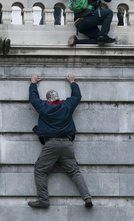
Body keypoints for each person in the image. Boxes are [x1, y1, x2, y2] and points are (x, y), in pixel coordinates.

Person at [27, 73, 92, 209]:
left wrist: (33, 83)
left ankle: (43, 200)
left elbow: (33, 99)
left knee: (40, 170)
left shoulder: (44, 108)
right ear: (58, 98)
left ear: (48, 100)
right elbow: (77, 97)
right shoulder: (67, 106)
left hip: (51, 144)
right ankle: (86, 197)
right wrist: (72, 82)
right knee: (74, 172)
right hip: (67, 144)